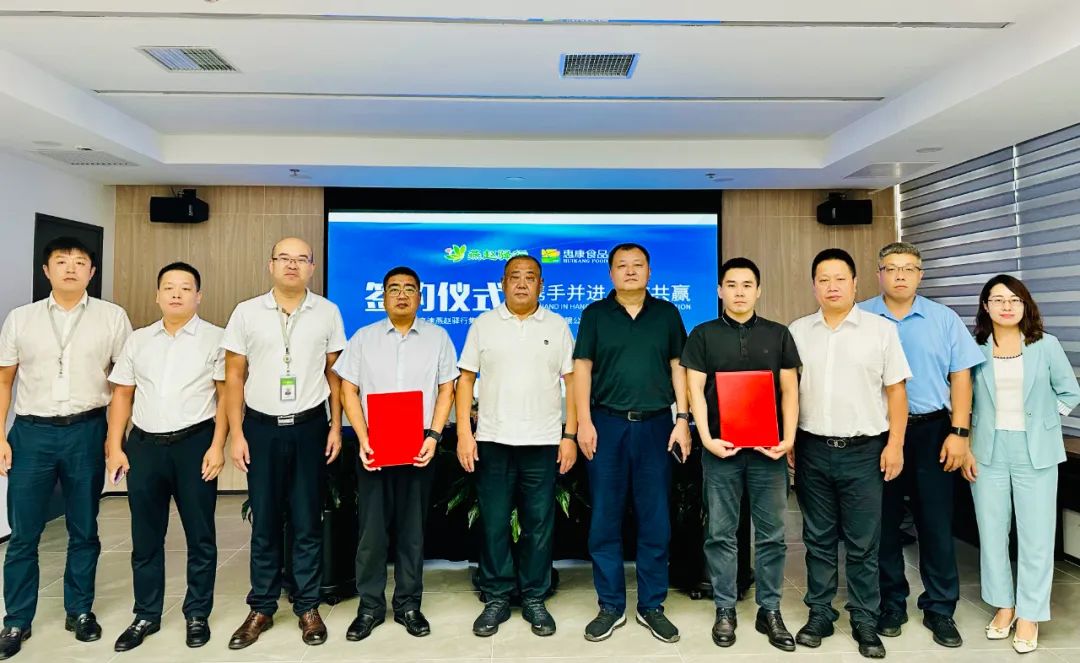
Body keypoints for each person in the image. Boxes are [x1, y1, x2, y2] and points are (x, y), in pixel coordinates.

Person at [0, 236, 132, 660]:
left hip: (86, 430)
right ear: (46, 270)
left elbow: (123, 384)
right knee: (24, 533)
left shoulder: (112, 317)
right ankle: (16, 619)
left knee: (84, 527)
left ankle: (80, 611)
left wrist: (115, 442)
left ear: (92, 271)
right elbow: (4, 380)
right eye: (61, 261)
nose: (71, 268)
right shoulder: (21, 319)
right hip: (31, 433)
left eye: (80, 262)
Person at [222, 237, 346, 649]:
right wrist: (237, 433)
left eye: (301, 259)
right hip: (261, 428)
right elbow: (234, 376)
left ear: (312, 267)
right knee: (266, 521)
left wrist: (335, 426)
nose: (292, 265)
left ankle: (307, 606)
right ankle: (261, 606)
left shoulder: (327, 312)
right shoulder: (246, 312)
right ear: (271, 264)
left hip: (310, 427)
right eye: (284, 258)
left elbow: (334, 375)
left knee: (308, 520)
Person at [860, 242, 984, 648]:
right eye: (891, 268)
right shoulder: (861, 316)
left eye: (908, 268)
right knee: (882, 523)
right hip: (878, 434)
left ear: (920, 275)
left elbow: (961, 378)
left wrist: (960, 433)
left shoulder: (943, 319)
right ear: (878, 274)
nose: (900, 275)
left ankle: (940, 608)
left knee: (935, 522)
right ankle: (890, 603)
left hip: (933, 431)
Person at [788, 248, 910, 659]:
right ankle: (820, 612)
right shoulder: (798, 331)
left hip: (865, 451)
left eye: (840, 278)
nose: (832, 286)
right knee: (818, 539)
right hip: (812, 448)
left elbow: (897, 392)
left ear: (856, 284)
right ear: (814, 286)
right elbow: (788, 393)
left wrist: (895, 444)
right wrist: (790, 440)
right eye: (823, 279)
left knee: (863, 543)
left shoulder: (880, 331)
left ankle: (864, 617)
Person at [105, 262, 228, 652]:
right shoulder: (138, 340)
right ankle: (146, 614)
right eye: (169, 287)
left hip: (195, 444)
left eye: (185, 288)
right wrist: (114, 446)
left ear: (198, 296)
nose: (177, 294)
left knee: (200, 535)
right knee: (145, 537)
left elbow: (226, 396)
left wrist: (218, 445)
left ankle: (197, 614)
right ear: (157, 295)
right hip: (144, 446)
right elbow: (122, 395)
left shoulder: (216, 338)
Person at [574, 243, 690, 644]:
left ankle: (651, 605)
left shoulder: (667, 314)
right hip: (606, 424)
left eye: (637, 265)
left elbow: (678, 368)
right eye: (621, 266)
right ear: (610, 274)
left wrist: (682, 419)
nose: (630, 271)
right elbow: (582, 369)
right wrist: (584, 422)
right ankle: (610, 605)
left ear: (649, 271)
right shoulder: (594, 314)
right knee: (605, 518)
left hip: (656, 425)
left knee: (655, 518)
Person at [682, 257, 801, 651]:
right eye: (731, 285)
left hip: (769, 452)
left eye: (747, 285)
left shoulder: (778, 334)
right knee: (720, 533)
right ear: (719, 290)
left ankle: (770, 610)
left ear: (758, 290)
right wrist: (706, 438)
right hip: (721, 451)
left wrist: (787, 439)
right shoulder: (703, 334)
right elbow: (695, 391)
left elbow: (789, 390)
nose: (739, 292)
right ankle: (725, 608)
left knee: (772, 536)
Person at [334, 266, 458, 642]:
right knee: (371, 533)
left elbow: (447, 389)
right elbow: (348, 389)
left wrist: (434, 436)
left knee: (412, 531)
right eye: (394, 289)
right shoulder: (364, 338)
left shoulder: (437, 337)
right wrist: (363, 439)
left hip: (419, 443)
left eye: (409, 289)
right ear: (383, 296)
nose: (401, 295)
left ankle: (408, 605)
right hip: (375, 444)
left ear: (420, 296)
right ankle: (370, 607)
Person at [456, 255, 577, 638]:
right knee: (494, 524)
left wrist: (570, 435)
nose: (522, 284)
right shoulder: (484, 324)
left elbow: (572, 382)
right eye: (514, 277)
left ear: (541, 284)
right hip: (493, 440)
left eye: (530, 277)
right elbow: (465, 380)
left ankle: (534, 597)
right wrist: (464, 433)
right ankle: (496, 596)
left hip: (542, 441)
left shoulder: (557, 326)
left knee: (538, 525)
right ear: (502, 283)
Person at [968, 275, 1080, 654]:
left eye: (1014, 300)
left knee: (1036, 535)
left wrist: (1048, 419)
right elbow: (962, 398)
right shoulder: (975, 348)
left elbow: (1070, 392)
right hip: (988, 449)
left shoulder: (1045, 345)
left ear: (1025, 305)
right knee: (992, 532)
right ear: (986, 306)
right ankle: (1004, 606)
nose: (1006, 306)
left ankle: (1030, 613)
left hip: (1037, 450)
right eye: (998, 299)